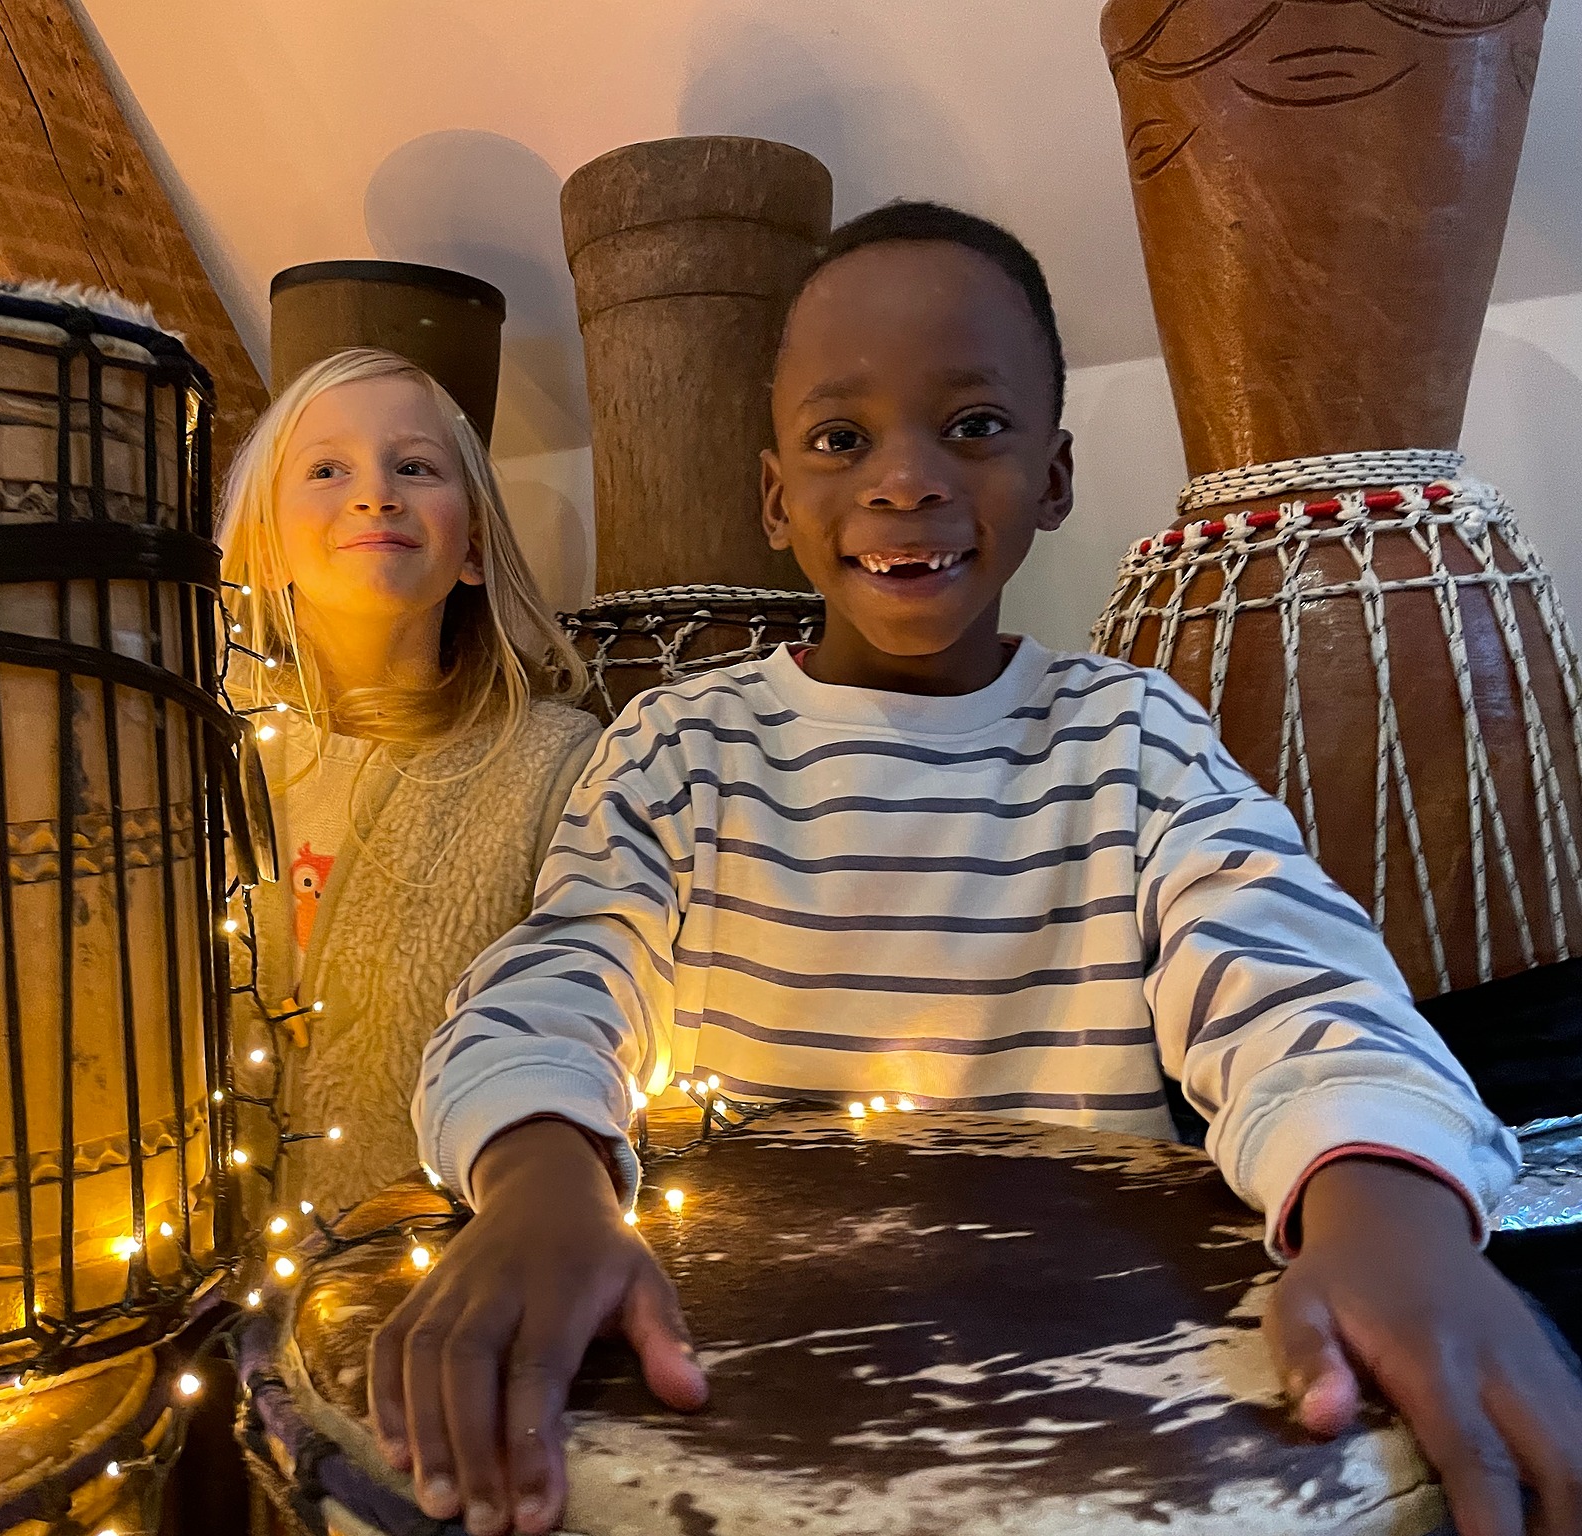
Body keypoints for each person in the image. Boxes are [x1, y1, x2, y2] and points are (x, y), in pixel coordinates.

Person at [370, 204, 1582, 1536]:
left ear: (1052, 478)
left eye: (974, 426)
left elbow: (1295, 979)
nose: (904, 481)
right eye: (840, 440)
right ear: (773, 496)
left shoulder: (1130, 739)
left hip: (1091, 1409)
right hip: (729, 1389)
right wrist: (542, 1180)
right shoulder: (680, 748)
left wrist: (1387, 1207)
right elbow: (555, 980)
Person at [218, 346, 600, 1217]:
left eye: (416, 467)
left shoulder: (554, 769)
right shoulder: (192, 754)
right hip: (182, 1271)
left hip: (428, 1261)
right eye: (327, 469)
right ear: (266, 547)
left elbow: (578, 1021)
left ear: (474, 547)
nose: (376, 494)